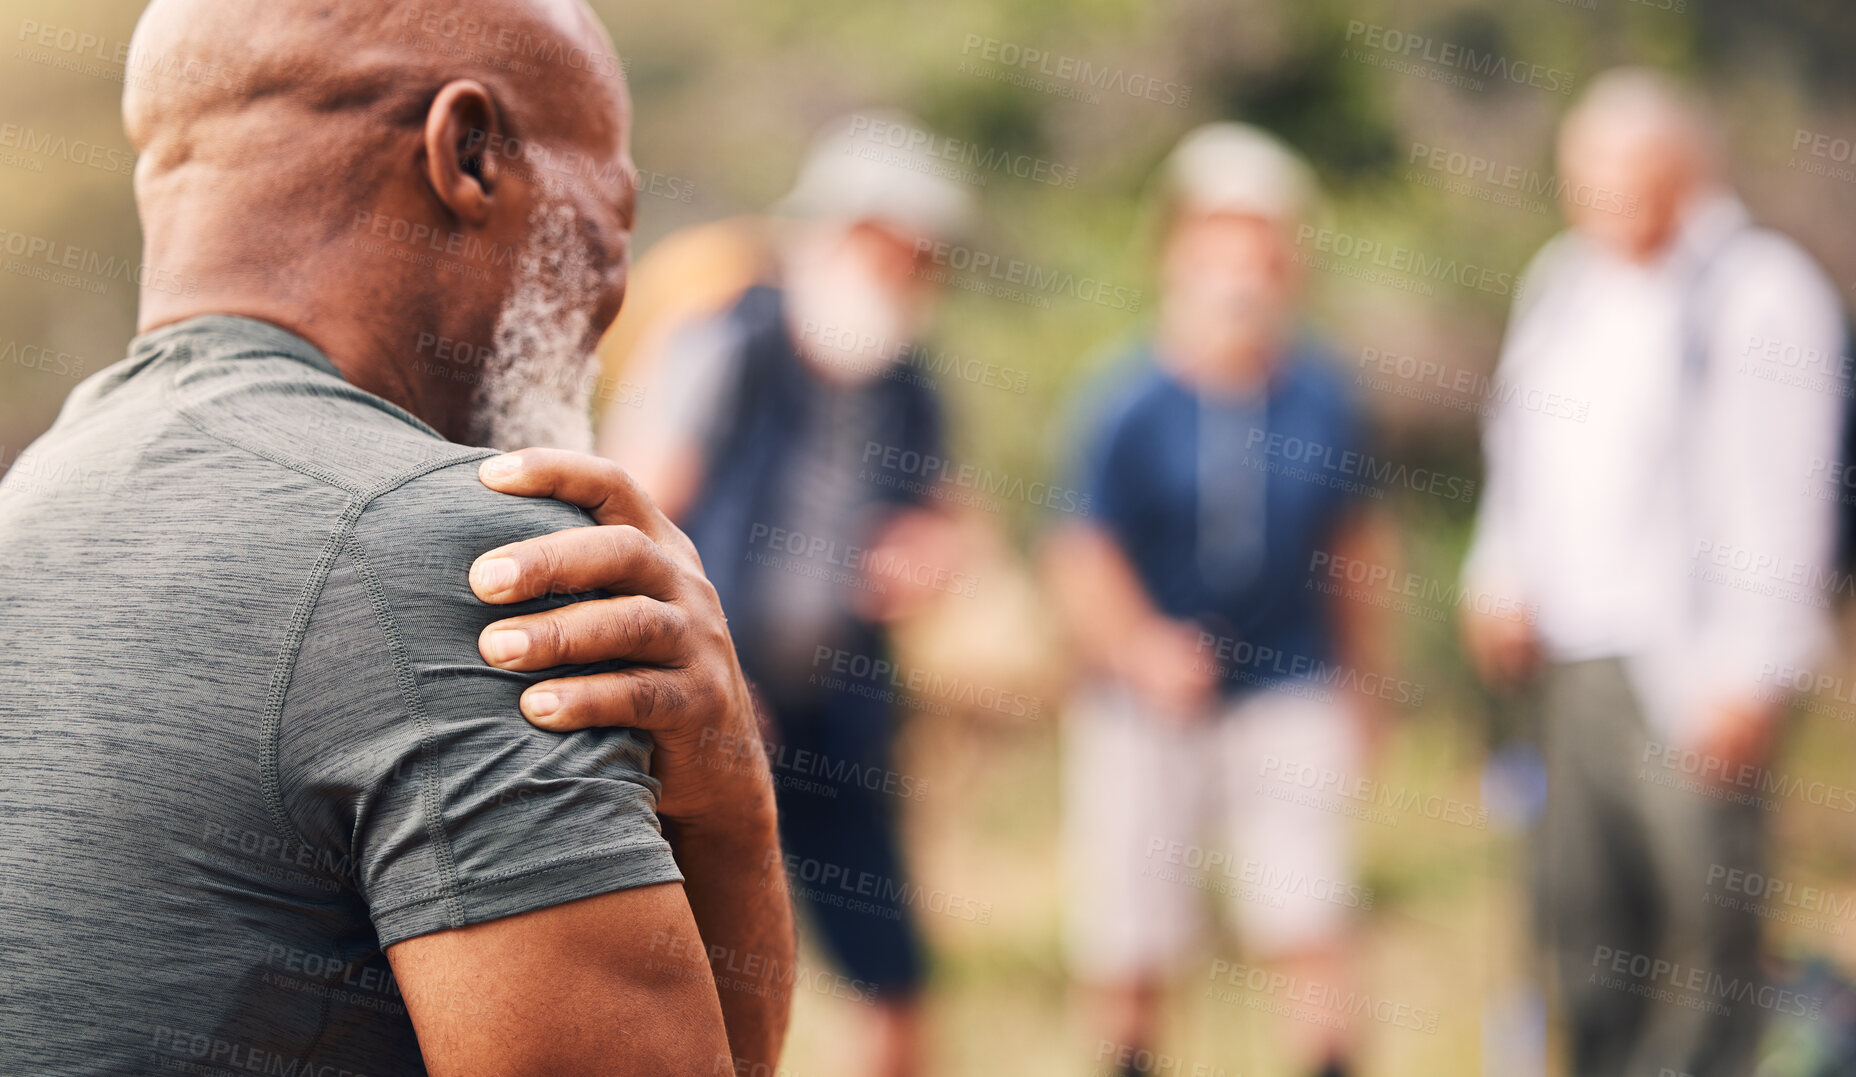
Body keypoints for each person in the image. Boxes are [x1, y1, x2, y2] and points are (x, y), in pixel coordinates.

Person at [0, 1, 795, 1074]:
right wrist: (732, 802)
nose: (612, 292)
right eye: (610, 217)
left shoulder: (28, 506)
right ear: (468, 156)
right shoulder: (466, 555)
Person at [1460, 68, 1848, 1077]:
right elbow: (1522, 454)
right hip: (1574, 658)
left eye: (1619, 172)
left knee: (1699, 938)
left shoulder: (1759, 292)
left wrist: (1752, 670)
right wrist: (1497, 577)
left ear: (1683, 168)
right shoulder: (1560, 283)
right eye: (1579, 172)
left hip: (1693, 670)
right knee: (1582, 929)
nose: (1595, 195)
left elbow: (1784, 489)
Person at [617, 112, 974, 1077]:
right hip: (710, 710)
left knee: (894, 976)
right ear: (842, 233)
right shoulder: (733, 338)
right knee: (686, 979)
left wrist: (930, 556)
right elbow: (642, 504)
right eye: (895, 251)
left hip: (839, 715)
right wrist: (711, 680)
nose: (908, 276)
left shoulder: (909, 382)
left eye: (921, 261)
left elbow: (947, 522)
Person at [1045, 124, 1387, 1077]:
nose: (1239, 269)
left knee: (1307, 911)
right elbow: (1080, 550)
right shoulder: (1124, 400)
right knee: (1134, 936)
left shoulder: (1324, 395)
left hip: (1288, 684)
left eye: (1261, 243)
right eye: (1218, 240)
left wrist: (1367, 687)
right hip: (1145, 701)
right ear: (1177, 251)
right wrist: (1141, 646)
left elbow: (1355, 547)